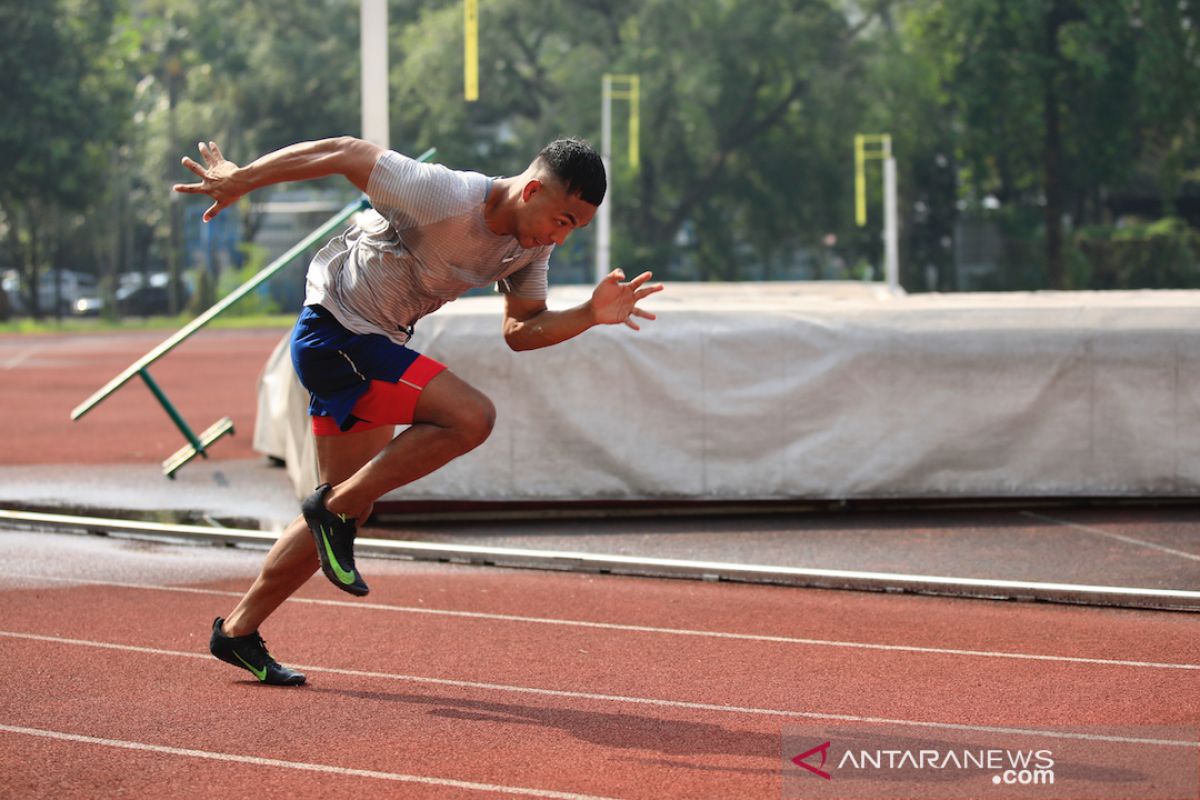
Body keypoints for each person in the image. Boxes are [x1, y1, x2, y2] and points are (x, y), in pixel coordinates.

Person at [173, 135, 663, 685]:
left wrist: (589, 315)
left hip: (372, 345)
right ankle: (332, 512)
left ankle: (237, 631)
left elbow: (522, 331)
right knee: (471, 417)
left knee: (345, 507)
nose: (560, 237)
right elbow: (345, 151)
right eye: (563, 220)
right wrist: (245, 177)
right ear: (531, 190)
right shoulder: (444, 195)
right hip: (335, 333)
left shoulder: (530, 248)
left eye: (574, 229)